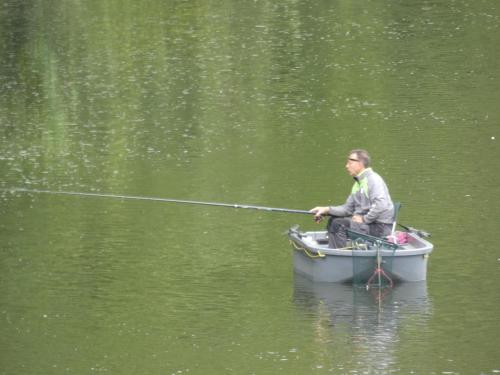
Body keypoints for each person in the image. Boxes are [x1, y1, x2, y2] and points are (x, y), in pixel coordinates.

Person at [310, 149, 394, 248]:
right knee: (333, 220)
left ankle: (337, 257)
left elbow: (381, 204)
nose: (346, 166)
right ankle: (336, 251)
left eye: (350, 162)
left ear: (360, 164)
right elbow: (347, 209)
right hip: (369, 224)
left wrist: (364, 219)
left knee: (339, 224)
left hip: (380, 227)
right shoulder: (357, 184)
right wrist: (327, 210)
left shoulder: (373, 179)